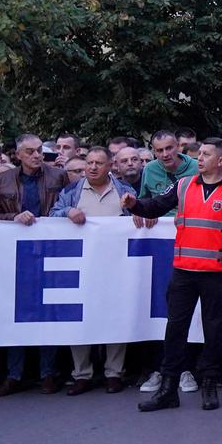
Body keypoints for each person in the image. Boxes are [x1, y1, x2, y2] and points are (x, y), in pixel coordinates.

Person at [128, 138, 222, 412]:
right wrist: (134, 204)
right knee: (175, 330)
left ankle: (209, 385)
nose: (199, 158)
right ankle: (168, 389)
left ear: (221, 161)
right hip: (184, 274)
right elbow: (155, 207)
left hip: (217, 275)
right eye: (199, 154)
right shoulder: (184, 185)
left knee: (214, 331)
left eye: (206, 154)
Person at [49, 148, 138, 394]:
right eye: (89, 163)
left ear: (111, 165)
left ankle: (114, 372)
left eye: (99, 163)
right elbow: (51, 215)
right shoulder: (71, 192)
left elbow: (139, 217)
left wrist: (139, 212)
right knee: (79, 318)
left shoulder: (125, 191)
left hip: (117, 265)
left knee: (116, 316)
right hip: (81, 266)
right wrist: (67, 212)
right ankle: (82, 374)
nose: (93, 167)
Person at [0, 133, 69, 396]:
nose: (37, 156)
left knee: (47, 313)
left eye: (39, 151)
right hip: (16, 254)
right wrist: (14, 216)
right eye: (31, 151)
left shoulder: (58, 176)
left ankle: (48, 373)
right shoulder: (3, 180)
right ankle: (15, 374)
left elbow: (66, 208)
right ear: (18, 155)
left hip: (50, 251)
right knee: (17, 313)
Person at [139, 130, 197, 199]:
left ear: (177, 146)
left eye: (169, 148)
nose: (165, 154)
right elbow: (144, 201)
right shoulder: (149, 169)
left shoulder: (196, 167)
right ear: (154, 152)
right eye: (160, 150)